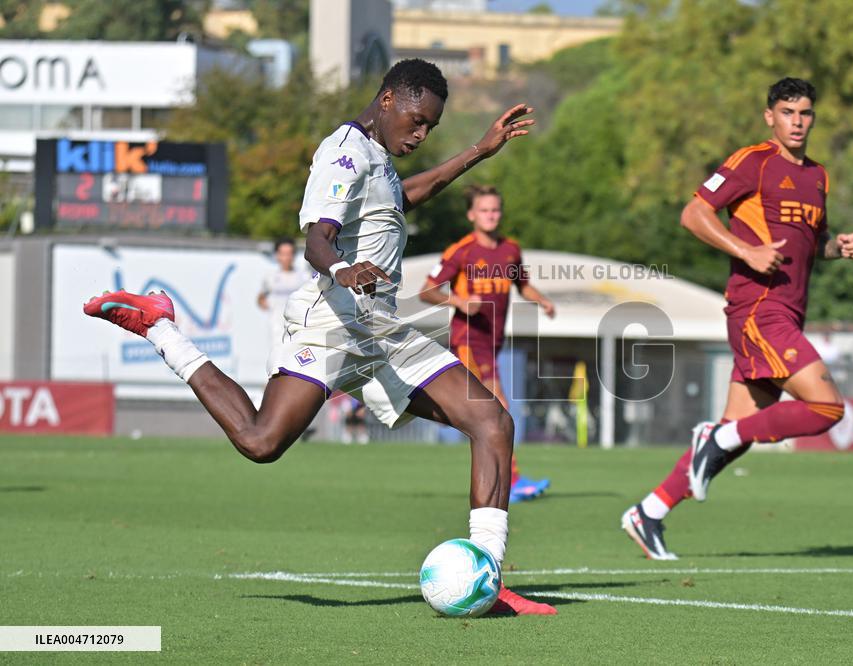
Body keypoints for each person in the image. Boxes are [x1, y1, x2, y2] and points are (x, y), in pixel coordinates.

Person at [84, 59, 555, 615]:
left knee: (492, 421)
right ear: (387, 100)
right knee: (261, 442)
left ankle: (489, 578)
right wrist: (342, 270)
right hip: (332, 320)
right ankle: (160, 327)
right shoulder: (344, 152)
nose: (421, 134)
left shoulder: (380, 156)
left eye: (430, 125)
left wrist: (478, 151)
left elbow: (406, 197)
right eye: (416, 120)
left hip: (379, 328)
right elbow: (316, 239)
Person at [621, 78, 853, 560]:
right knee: (827, 408)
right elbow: (694, 214)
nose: (798, 121)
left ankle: (649, 511)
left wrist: (839, 248)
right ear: (769, 116)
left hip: (788, 313)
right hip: (759, 310)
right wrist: (745, 250)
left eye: (806, 113)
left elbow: (812, 244)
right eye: (789, 112)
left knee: (738, 434)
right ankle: (716, 437)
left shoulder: (818, 176)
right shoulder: (752, 161)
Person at [420, 185, 556, 502]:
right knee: (497, 410)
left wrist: (544, 302)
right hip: (468, 340)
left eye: (495, 210)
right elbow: (427, 291)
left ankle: (496, 481)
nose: (491, 215)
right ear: (471, 215)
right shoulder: (461, 251)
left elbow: (523, 286)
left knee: (486, 414)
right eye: (484, 210)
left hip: (492, 344)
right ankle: (512, 482)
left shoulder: (510, 249)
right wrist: (459, 301)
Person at [257, 237, 310, 347]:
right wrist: (271, 306)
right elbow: (261, 297)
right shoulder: (270, 277)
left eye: (289, 253)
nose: (286, 257)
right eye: (283, 254)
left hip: (299, 328)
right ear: (277, 255)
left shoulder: (304, 276)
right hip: (277, 329)